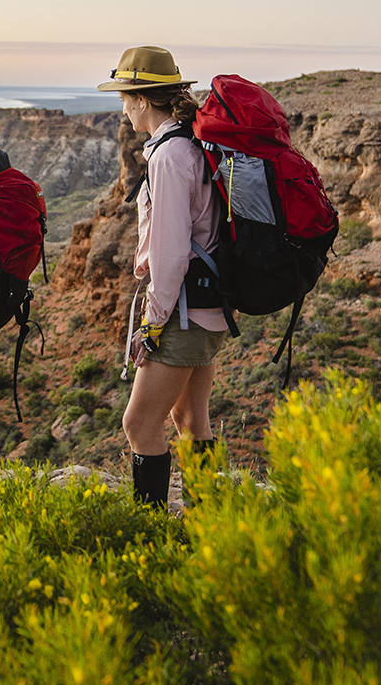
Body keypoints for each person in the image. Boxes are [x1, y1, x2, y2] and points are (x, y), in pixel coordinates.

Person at [99, 46, 230, 507]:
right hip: (205, 306)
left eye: (124, 98)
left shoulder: (171, 155)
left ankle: (149, 531)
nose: (122, 108)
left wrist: (152, 323)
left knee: (138, 425)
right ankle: (207, 523)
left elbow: (170, 253)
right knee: (191, 418)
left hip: (183, 310)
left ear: (140, 99)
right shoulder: (187, 143)